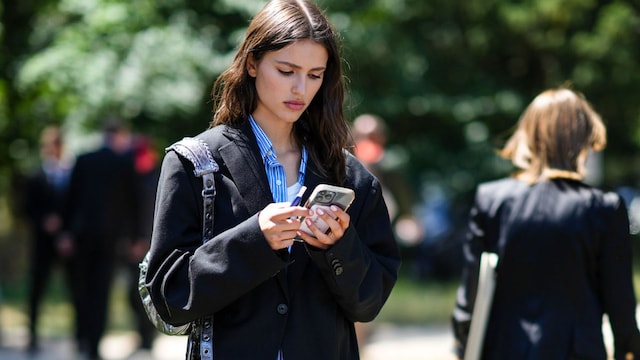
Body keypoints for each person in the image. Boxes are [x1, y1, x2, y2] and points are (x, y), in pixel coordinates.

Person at [145, 0, 401, 359]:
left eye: (315, 75)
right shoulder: (195, 164)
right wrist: (254, 241)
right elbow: (168, 298)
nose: (301, 88)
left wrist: (338, 247)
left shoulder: (351, 178)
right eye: (286, 70)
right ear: (252, 63)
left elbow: (369, 304)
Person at [451, 88, 640, 359]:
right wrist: (628, 349)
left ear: (528, 135)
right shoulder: (603, 208)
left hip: (504, 351)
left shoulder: (491, 200)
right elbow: (620, 302)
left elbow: (470, 297)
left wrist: (463, 345)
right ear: (585, 137)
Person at [61, 118, 141, 360]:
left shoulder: (84, 159)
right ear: (119, 135)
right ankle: (94, 343)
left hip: (82, 235)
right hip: (110, 237)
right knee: (101, 290)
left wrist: (66, 233)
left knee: (81, 288)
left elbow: (70, 199)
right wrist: (136, 237)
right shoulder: (124, 163)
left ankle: (82, 336)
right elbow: (133, 204)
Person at [23, 125, 72, 352]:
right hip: (42, 243)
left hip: (66, 242)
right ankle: (31, 335)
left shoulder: (70, 174)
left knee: (75, 289)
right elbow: (26, 207)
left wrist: (66, 231)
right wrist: (43, 221)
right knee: (37, 289)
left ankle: (78, 336)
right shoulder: (36, 175)